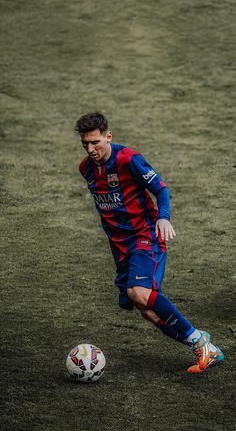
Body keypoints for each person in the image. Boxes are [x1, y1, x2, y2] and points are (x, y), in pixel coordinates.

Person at [75, 111, 224, 373]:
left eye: (96, 142)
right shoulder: (86, 169)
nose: (91, 149)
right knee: (146, 309)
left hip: (145, 236)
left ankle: (202, 343)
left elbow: (161, 189)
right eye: (86, 144)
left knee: (140, 293)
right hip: (120, 248)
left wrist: (163, 218)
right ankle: (198, 342)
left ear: (108, 136)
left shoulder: (129, 159)